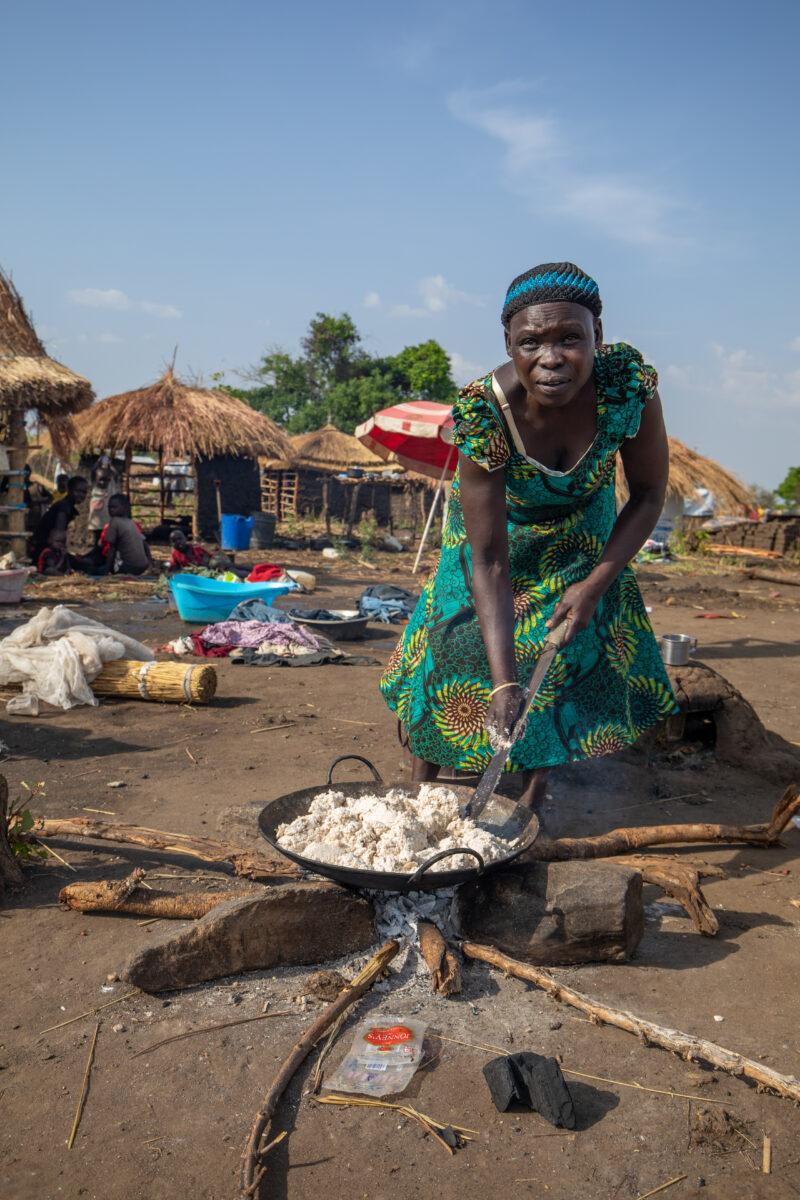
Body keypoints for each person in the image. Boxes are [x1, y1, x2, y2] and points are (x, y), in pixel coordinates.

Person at [380, 262, 678, 823]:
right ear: (509, 344)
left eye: (571, 338)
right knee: (456, 643)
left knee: (563, 653)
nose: (552, 357)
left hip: (582, 528)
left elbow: (647, 496)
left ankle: (532, 799)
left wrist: (593, 586)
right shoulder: (485, 413)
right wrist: (502, 686)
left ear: (597, 335)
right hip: (496, 529)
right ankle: (420, 786)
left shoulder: (626, 387)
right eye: (531, 342)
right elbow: (489, 561)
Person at [29, 476, 89, 563]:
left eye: (84, 492)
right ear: (69, 490)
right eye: (78, 491)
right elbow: (58, 535)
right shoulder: (64, 507)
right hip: (44, 550)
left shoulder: (67, 505)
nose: (81, 495)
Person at [101, 494, 153, 576]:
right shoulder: (131, 522)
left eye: (114, 507)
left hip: (127, 568)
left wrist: (106, 573)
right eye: (109, 507)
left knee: (99, 568)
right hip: (143, 567)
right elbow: (145, 545)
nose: (111, 510)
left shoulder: (115, 522)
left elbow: (111, 549)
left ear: (125, 508)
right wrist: (150, 564)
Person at [87, 463, 118, 546]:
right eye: (101, 479)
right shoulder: (94, 486)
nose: (103, 482)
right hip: (95, 522)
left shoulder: (111, 486)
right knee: (96, 541)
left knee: (106, 541)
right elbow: (93, 470)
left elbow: (116, 474)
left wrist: (110, 466)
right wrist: (99, 460)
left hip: (107, 521)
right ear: (96, 479)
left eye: (106, 480)